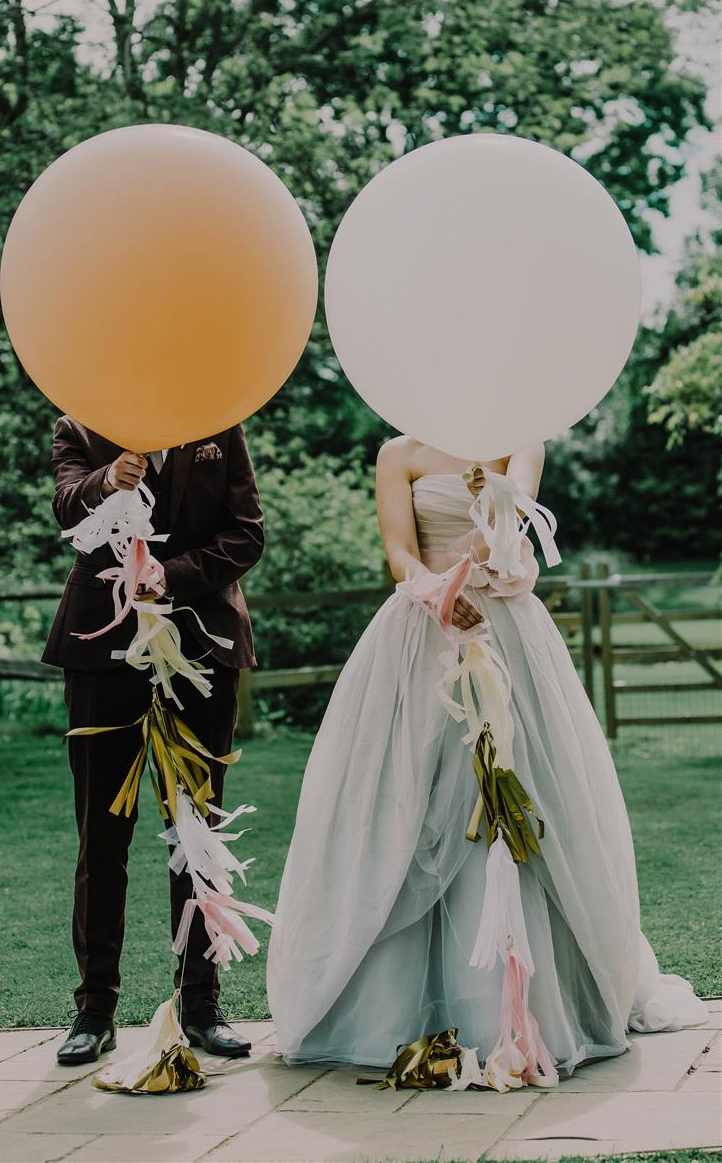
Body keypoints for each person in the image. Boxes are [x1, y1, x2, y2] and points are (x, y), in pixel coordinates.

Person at [267, 436, 707, 1075]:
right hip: (421, 632)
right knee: (409, 798)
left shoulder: (519, 438)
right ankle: (394, 1009)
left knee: (514, 789)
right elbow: (397, 550)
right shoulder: (400, 452)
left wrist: (484, 520)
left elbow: (518, 517)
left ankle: (520, 1008)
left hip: (502, 624)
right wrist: (432, 590)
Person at [43, 416, 263, 1065]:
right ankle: (94, 1009)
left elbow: (246, 532)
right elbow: (64, 501)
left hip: (202, 645)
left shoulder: (221, 419)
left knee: (196, 831)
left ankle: (201, 1003)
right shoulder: (80, 422)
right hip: (101, 648)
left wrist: (174, 574)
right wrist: (107, 480)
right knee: (101, 835)